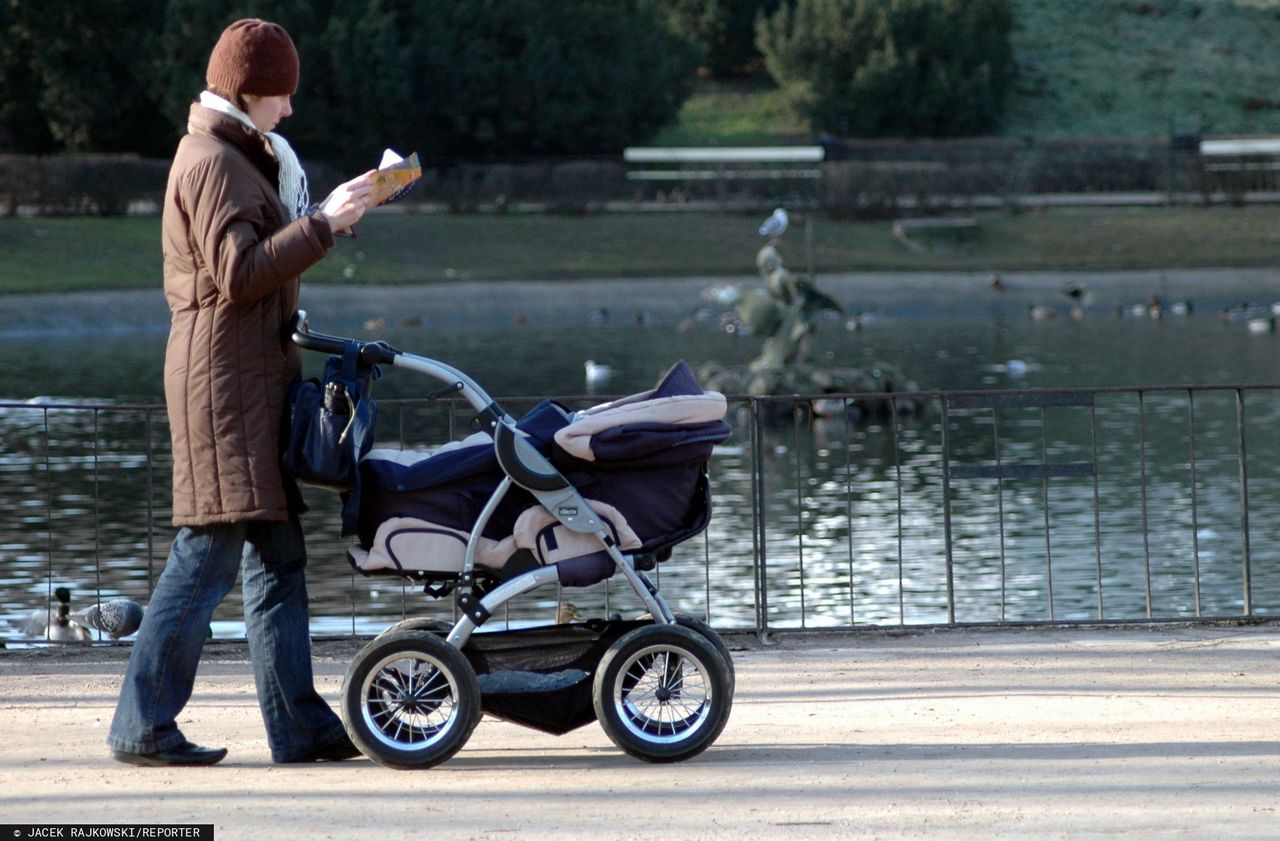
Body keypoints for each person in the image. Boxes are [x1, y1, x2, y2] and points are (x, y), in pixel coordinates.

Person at [108, 18, 375, 767]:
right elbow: (239, 273)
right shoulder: (214, 163)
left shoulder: (237, 155)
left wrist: (329, 219)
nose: (289, 110)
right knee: (207, 553)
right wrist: (319, 225)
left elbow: (261, 260)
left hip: (247, 378)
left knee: (278, 558)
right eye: (281, 96)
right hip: (224, 385)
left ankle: (301, 726)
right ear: (248, 91)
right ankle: (142, 722)